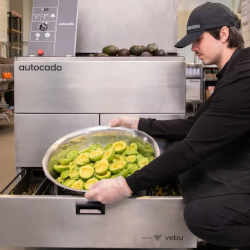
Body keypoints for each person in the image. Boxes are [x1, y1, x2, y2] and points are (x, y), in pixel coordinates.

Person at [86, 2, 250, 249]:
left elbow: (194, 147)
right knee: (188, 171)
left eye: (198, 39)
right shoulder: (233, 72)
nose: (193, 48)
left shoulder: (244, 78)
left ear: (224, 34)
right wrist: (140, 123)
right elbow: (195, 126)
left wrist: (125, 185)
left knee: (203, 216)